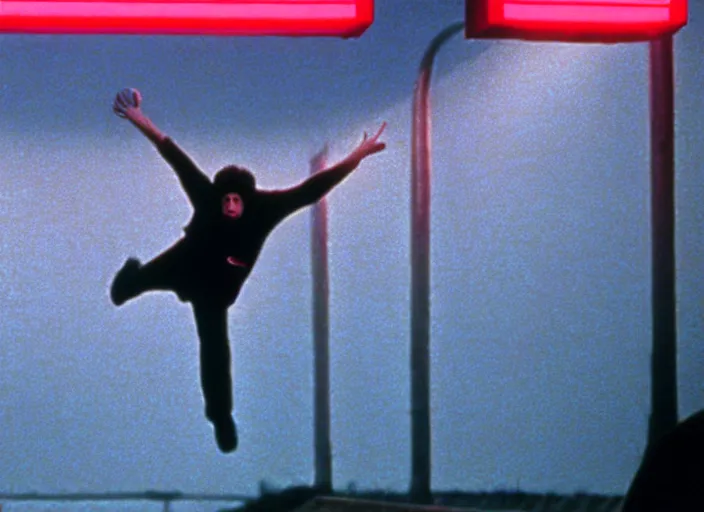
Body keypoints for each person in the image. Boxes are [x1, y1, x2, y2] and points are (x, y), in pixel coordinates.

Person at [109, 88, 386, 453]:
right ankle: (131, 279)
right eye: (226, 200)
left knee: (214, 349)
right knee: (126, 291)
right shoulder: (206, 198)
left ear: (247, 200)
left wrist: (357, 157)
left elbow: (311, 191)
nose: (230, 205)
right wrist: (140, 119)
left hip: (217, 289)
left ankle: (221, 417)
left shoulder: (264, 209)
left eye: (236, 200)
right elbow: (175, 157)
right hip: (185, 263)